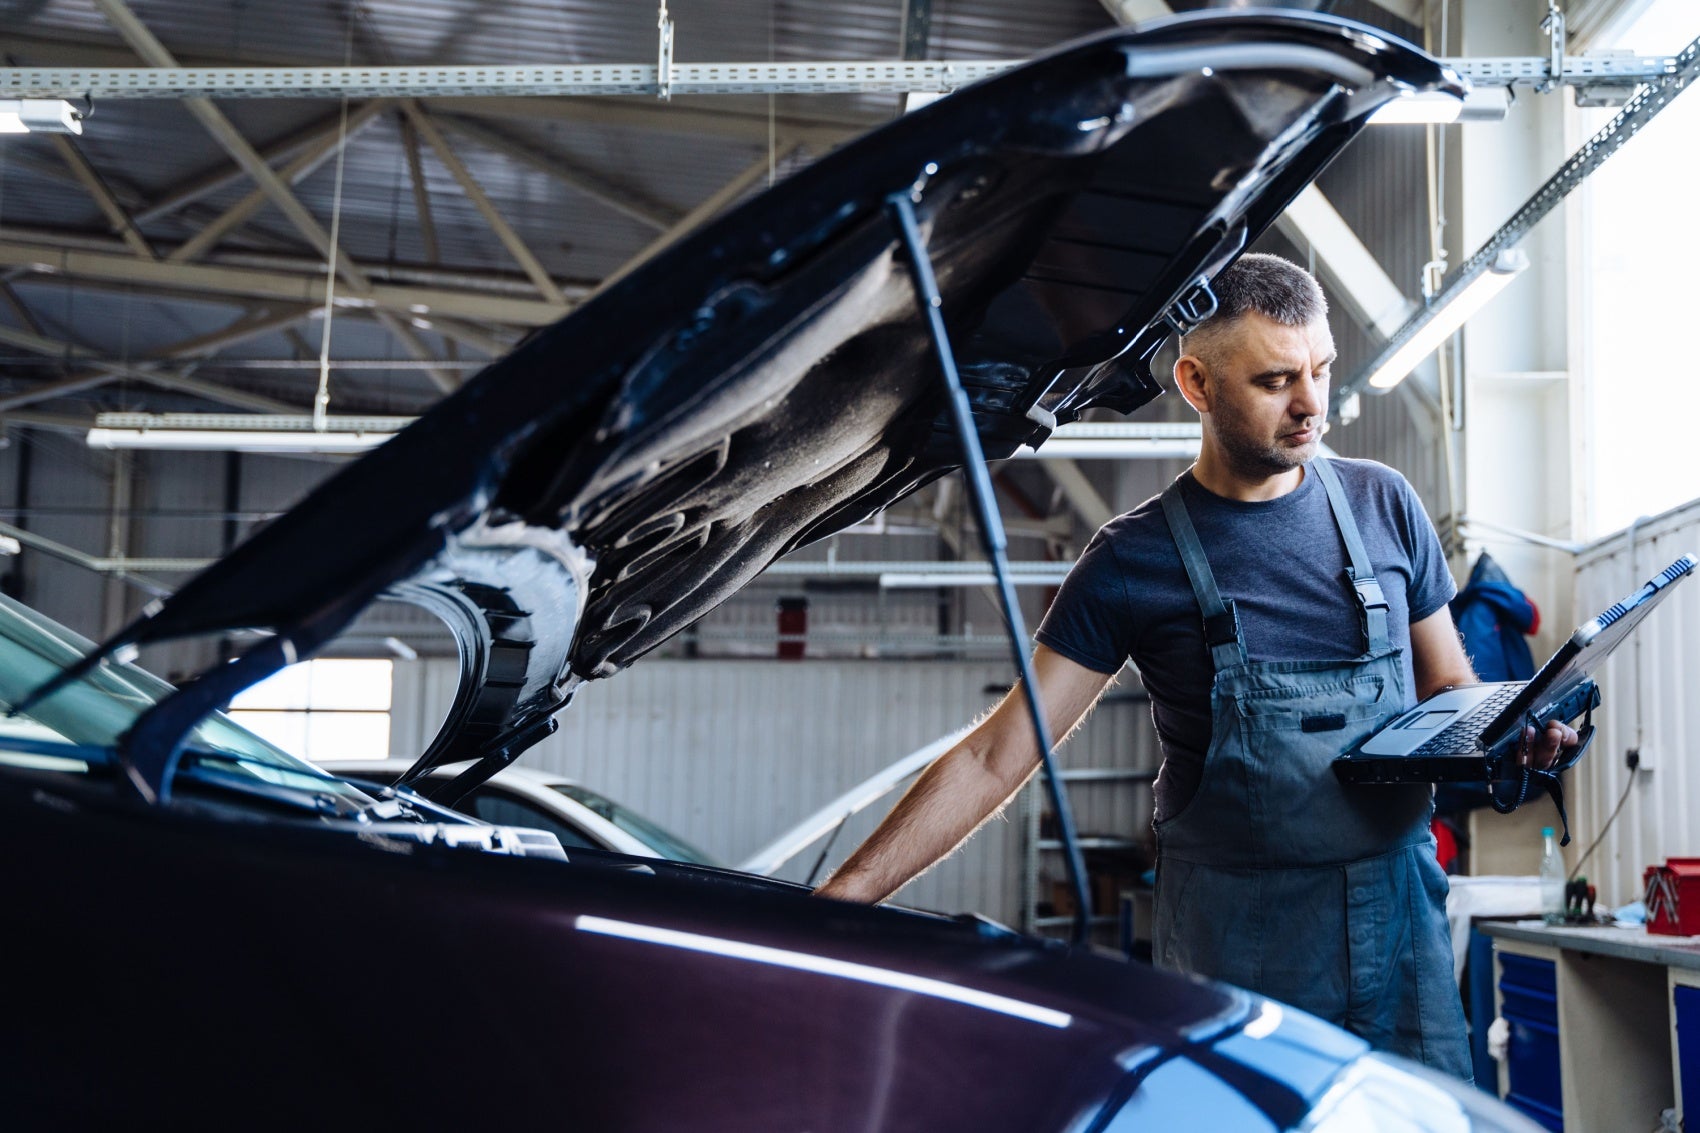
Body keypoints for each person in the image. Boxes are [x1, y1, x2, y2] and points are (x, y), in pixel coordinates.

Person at [814, 253, 1576, 1076]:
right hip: (1239, 946)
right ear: (1196, 384)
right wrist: (843, 899)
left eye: (1321, 369)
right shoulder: (1131, 561)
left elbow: (1451, 691)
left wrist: (1510, 732)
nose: (1311, 404)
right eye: (1276, 380)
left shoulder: (1382, 503)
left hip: (1401, 932)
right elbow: (996, 754)